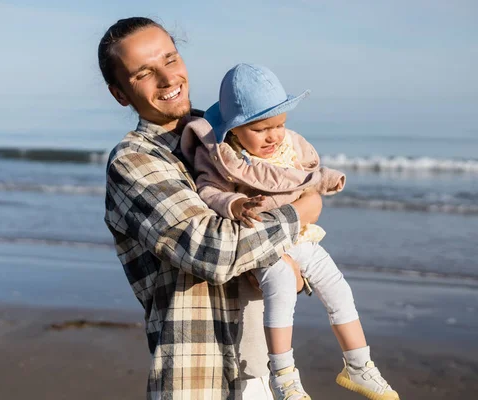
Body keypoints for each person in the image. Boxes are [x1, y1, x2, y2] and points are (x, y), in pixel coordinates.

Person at [99, 17, 323, 399]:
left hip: (262, 368)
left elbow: (284, 188)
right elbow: (215, 251)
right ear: (120, 93)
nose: (168, 79)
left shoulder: (227, 135)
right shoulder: (133, 161)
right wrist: (302, 212)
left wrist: (291, 266)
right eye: (144, 74)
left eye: (170, 59)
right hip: (200, 377)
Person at [180, 63, 400, 400]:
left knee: (337, 288)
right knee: (282, 286)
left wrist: (324, 182)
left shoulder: (290, 147)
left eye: (279, 125)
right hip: (261, 241)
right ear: (235, 130)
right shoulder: (224, 156)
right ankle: (283, 377)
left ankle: (358, 365)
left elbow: (307, 179)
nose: (273, 136)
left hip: (299, 235)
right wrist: (236, 203)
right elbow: (209, 190)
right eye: (260, 129)